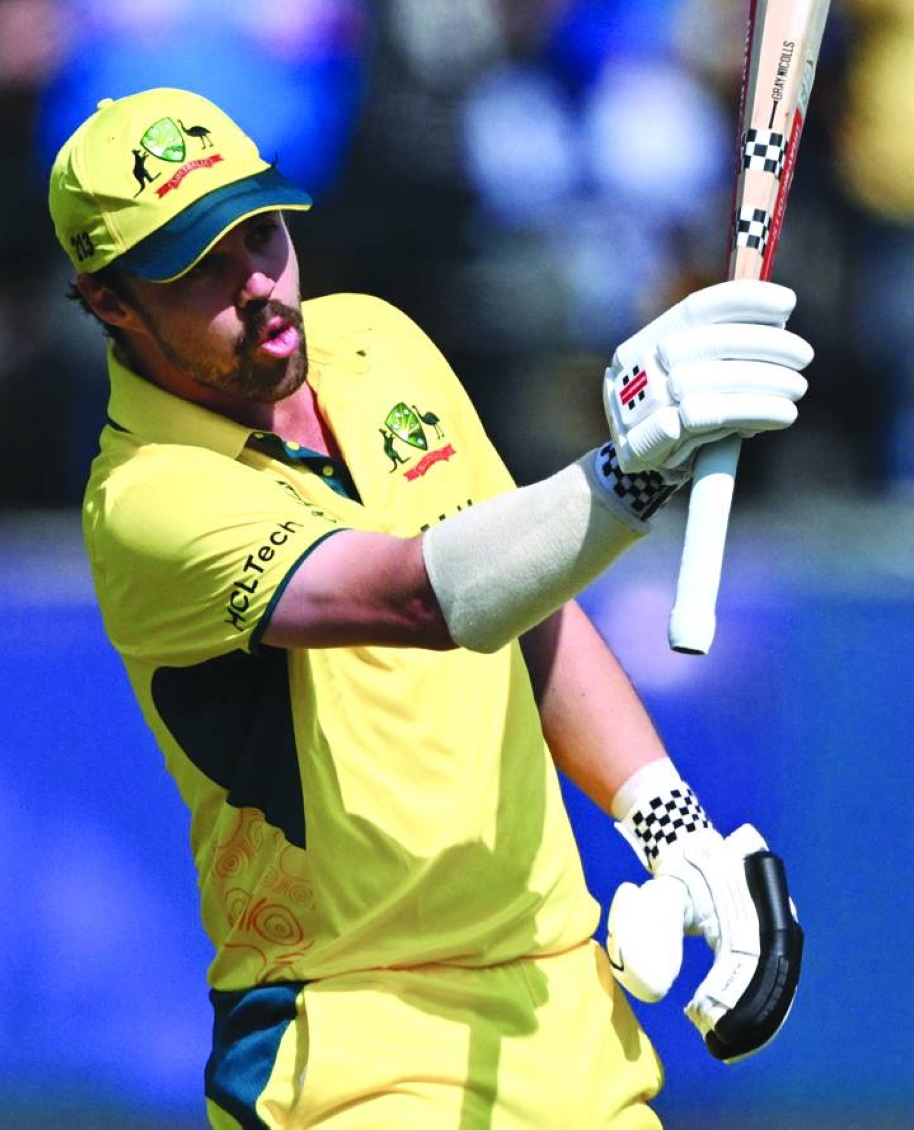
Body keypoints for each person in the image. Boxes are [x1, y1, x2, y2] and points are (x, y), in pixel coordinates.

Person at [49, 87, 812, 1128]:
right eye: (198, 269)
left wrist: (670, 826)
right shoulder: (145, 498)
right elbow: (422, 596)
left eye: (261, 233)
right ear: (110, 304)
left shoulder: (374, 340)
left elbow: (523, 596)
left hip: (561, 1006)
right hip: (350, 1041)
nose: (259, 285)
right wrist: (634, 471)